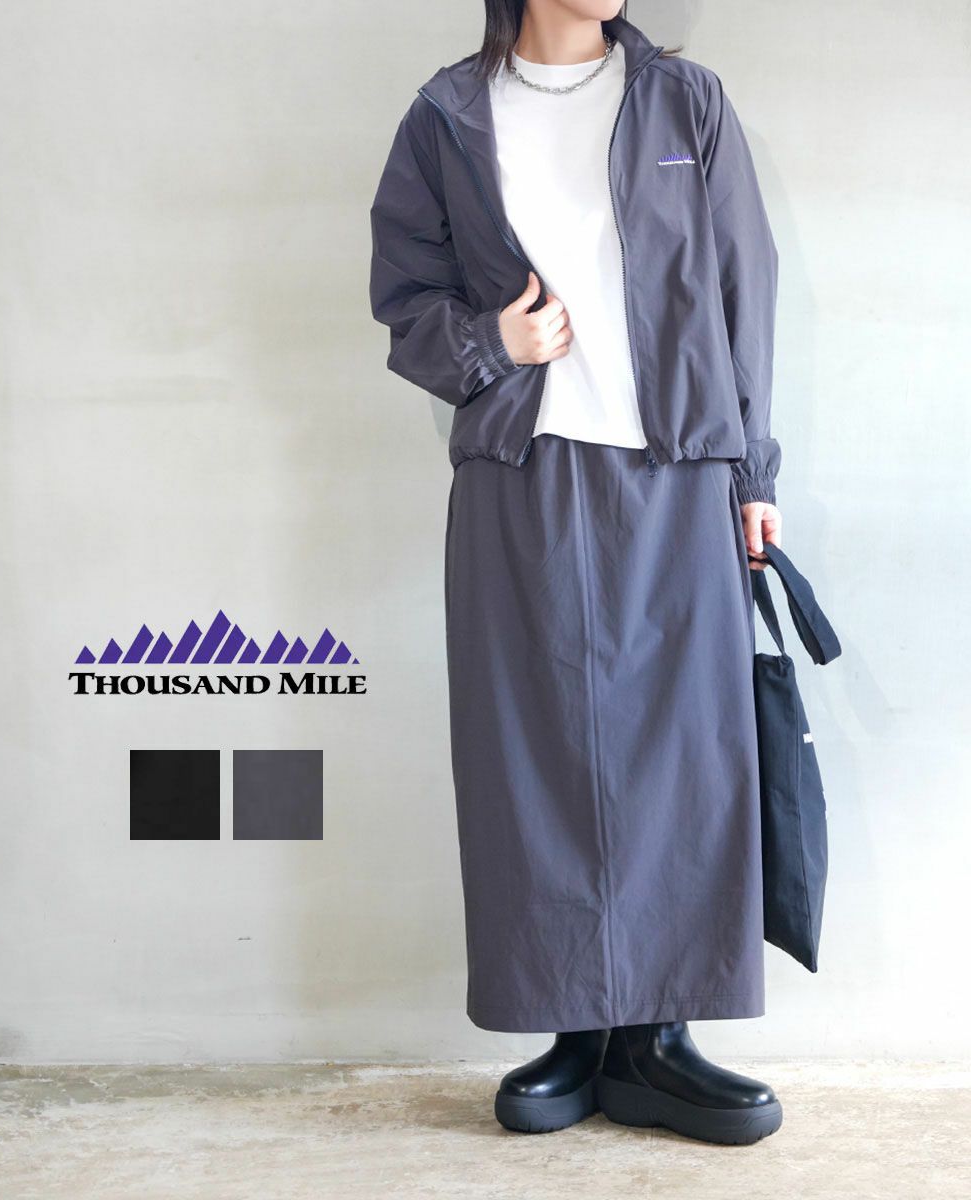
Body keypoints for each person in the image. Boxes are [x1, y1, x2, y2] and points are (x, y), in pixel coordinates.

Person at [369, 1, 785, 1145]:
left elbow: (743, 285)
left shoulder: (684, 103)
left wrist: (753, 469)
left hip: (677, 466)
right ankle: (572, 1031)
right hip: (523, 467)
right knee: (532, 751)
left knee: (685, 748)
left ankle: (659, 1040)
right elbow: (404, 297)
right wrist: (489, 346)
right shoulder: (447, 115)